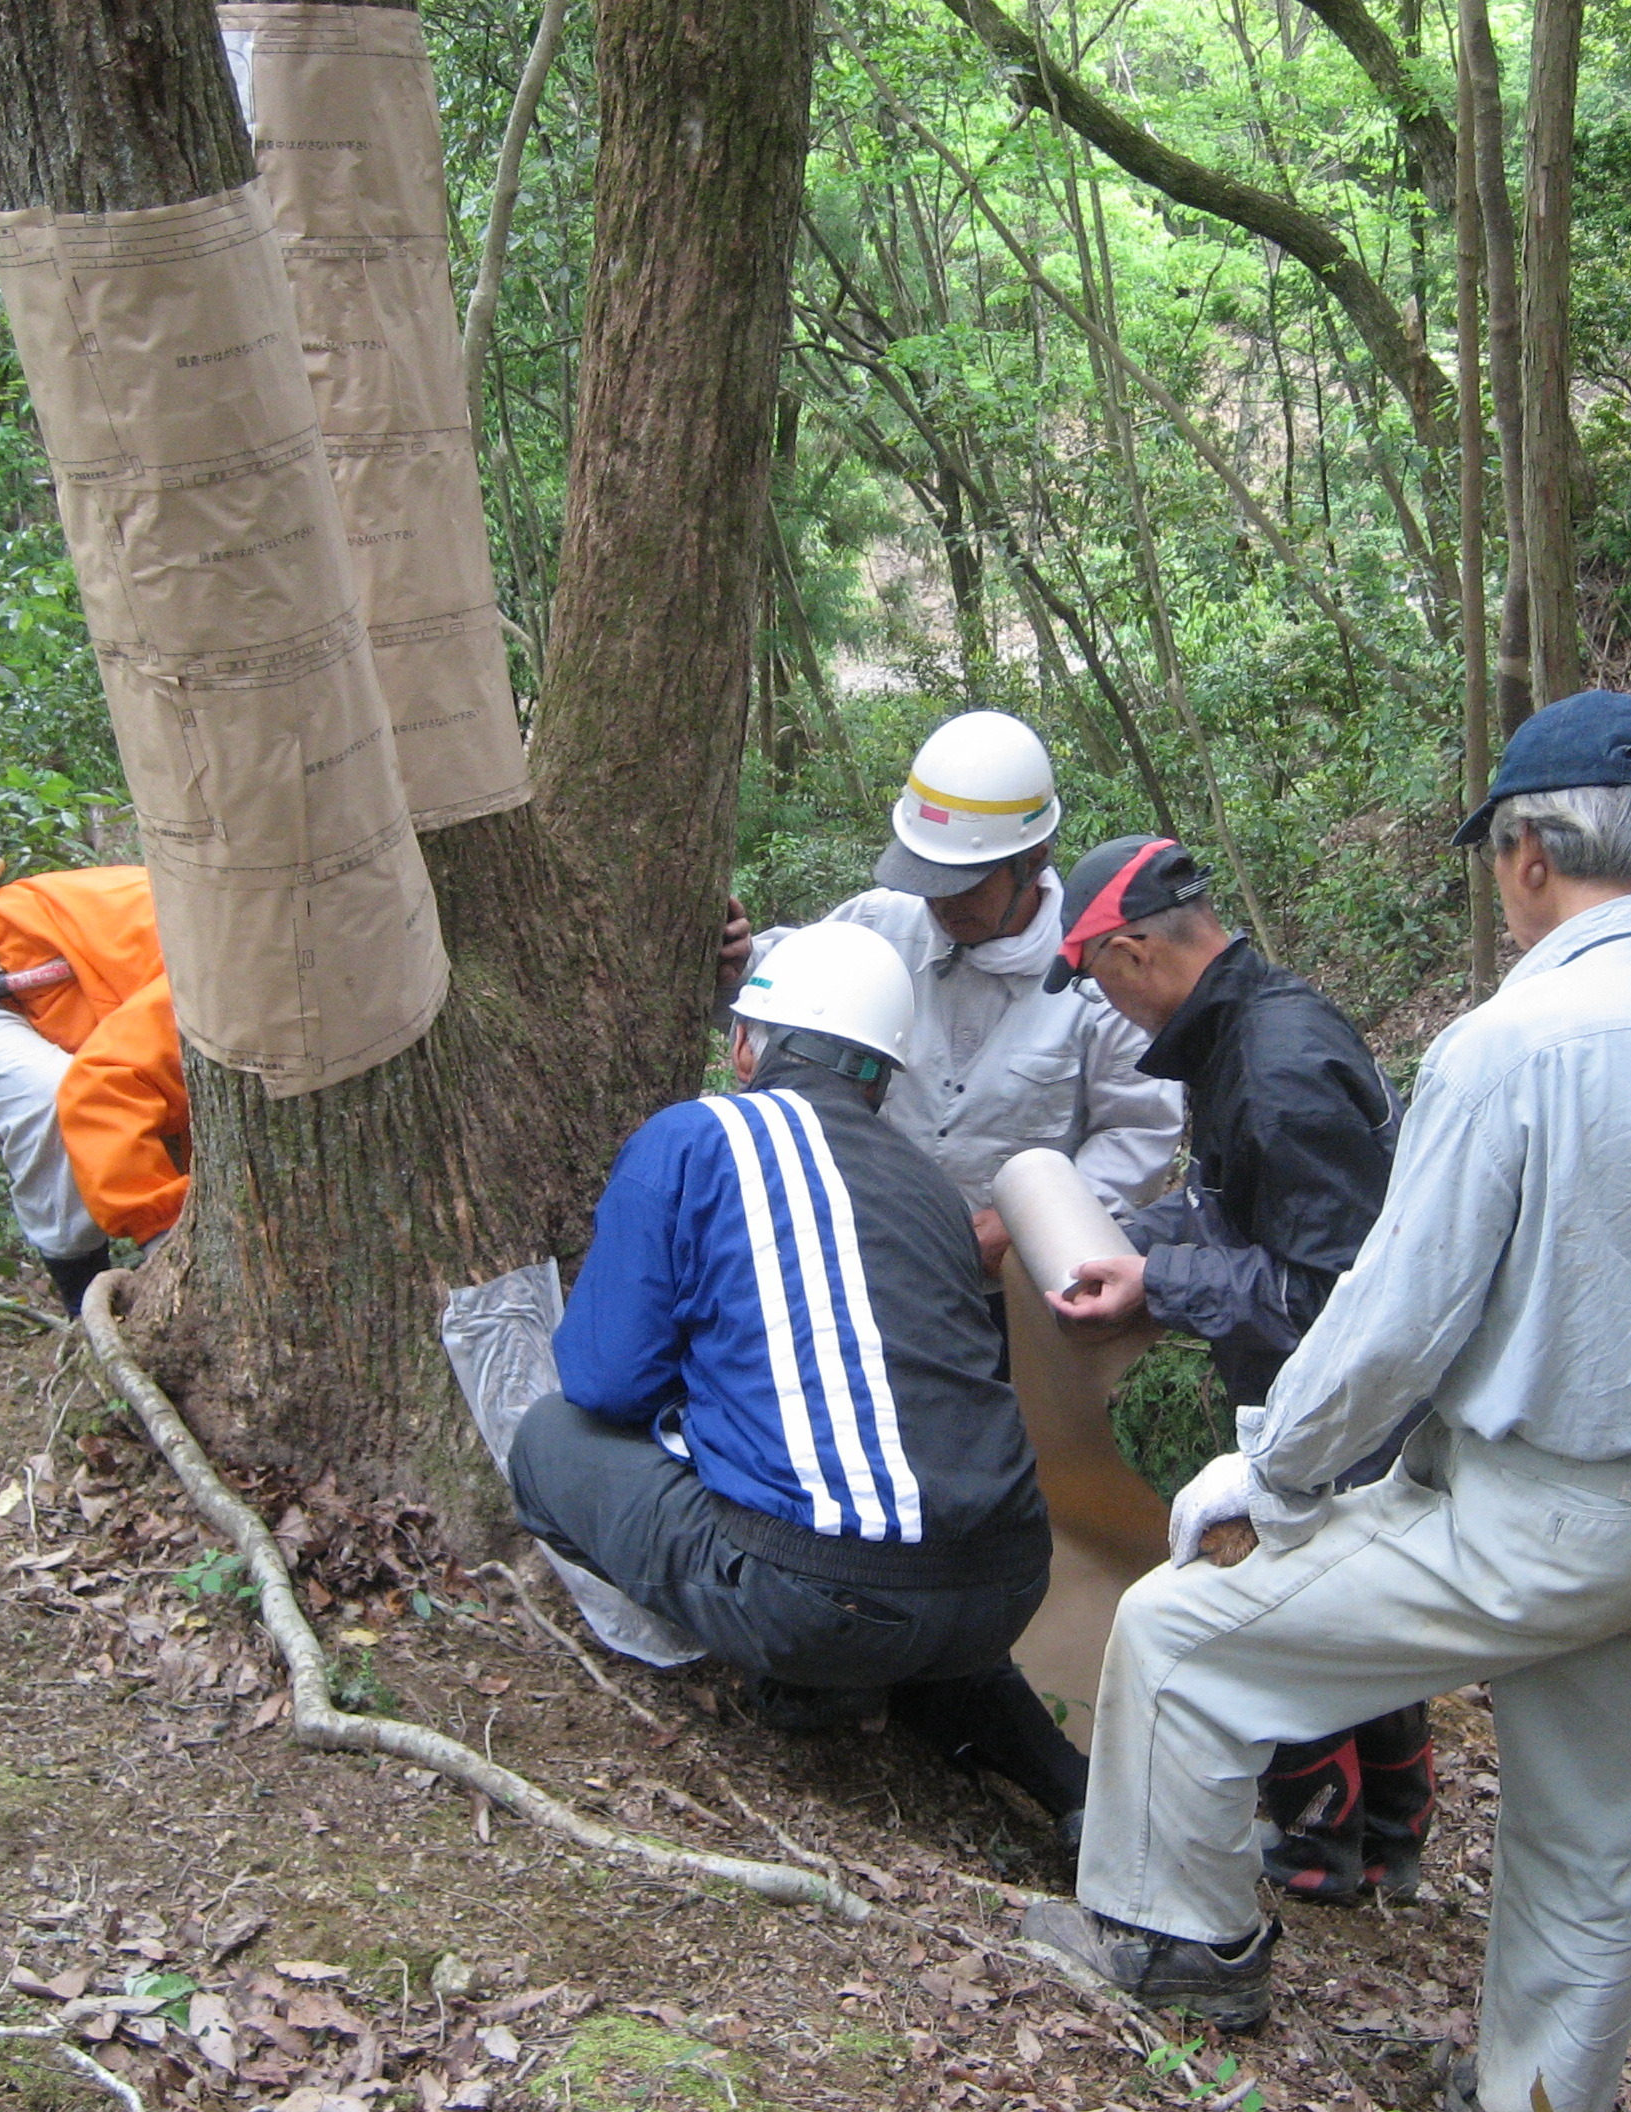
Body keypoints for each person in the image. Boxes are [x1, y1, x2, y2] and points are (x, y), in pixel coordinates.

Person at [1023, 691, 1631, 2112]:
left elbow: (1388, 1315)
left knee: (1177, 1633)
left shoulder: (1513, 1042)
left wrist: (1268, 1470)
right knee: (1592, 1850)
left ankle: (1181, 1952)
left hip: (1542, 1507)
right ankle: (1539, 2096)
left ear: (1529, 854)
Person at [507, 919, 1092, 1838]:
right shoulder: (935, 1190)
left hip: (820, 1601)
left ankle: (800, 1677)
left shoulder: (695, 1137)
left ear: (746, 1044)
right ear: (884, 1074)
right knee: (918, 1576)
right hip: (1005, 1587)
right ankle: (1069, 1790)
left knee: (548, 1441)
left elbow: (605, 1382)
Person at [1039, 834, 1433, 1908]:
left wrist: (1161, 1286)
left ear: (1129, 955)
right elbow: (1237, 1210)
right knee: (1359, 1616)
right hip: (1334, 1395)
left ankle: (1317, 1851)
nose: (1103, 1010)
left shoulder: (1273, 1068)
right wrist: (1135, 1239)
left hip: (1338, 1403)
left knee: (1279, 1613)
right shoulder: (1252, 1028)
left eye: (1093, 983)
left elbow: (1333, 1292)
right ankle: (1388, 1839)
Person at [722, 711, 1184, 1263]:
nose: (941, 901)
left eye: (965, 885)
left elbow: (1137, 1131)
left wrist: (1036, 1222)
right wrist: (737, 967)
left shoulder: (1098, 985)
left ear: (1032, 861)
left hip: (1006, 1289)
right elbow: (778, 983)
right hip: (861, 1254)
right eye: (927, 879)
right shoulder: (877, 926)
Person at [0, 866, 188, 1313]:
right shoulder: (221, 966)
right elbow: (102, 1089)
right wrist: (165, 1234)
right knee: (53, 1098)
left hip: (49, 1002)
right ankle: (82, 1303)